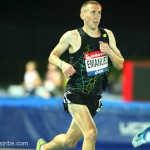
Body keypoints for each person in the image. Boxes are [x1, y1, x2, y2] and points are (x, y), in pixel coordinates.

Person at [36, 1, 124, 150]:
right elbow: (52, 56)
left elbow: (120, 64)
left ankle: (43, 148)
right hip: (75, 92)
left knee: (70, 141)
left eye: (99, 13)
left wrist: (109, 51)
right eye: (93, 12)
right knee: (91, 133)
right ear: (83, 15)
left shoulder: (107, 35)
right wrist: (62, 64)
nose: (97, 16)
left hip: (95, 96)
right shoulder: (72, 36)